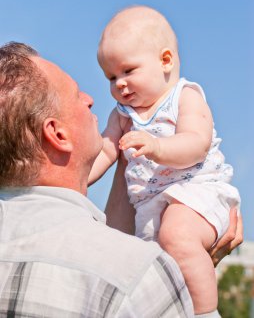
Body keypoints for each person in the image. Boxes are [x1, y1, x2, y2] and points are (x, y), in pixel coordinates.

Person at [0, 42, 242, 318]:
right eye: (76, 95)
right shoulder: (137, 275)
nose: (90, 98)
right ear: (58, 134)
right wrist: (185, 274)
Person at [88, 6, 241, 317]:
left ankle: (204, 312)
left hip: (195, 191)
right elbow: (105, 150)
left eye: (128, 71)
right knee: (152, 266)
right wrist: (78, 178)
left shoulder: (185, 96)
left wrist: (157, 146)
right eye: (111, 76)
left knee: (177, 235)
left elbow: (195, 144)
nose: (119, 84)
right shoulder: (122, 114)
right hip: (150, 205)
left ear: (165, 61)